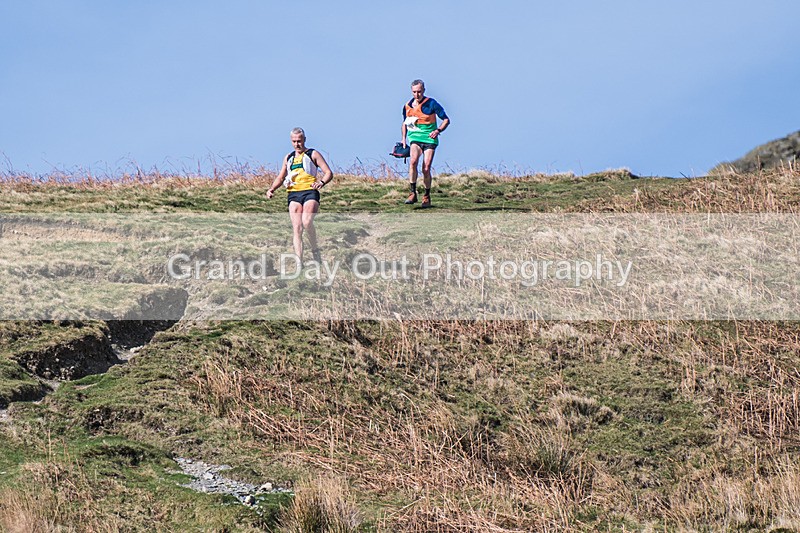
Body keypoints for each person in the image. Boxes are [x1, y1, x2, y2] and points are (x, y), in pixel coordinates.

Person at [266, 127, 333, 263]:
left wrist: (321, 182)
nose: (297, 144)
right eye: (294, 141)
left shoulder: (312, 154)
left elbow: (328, 173)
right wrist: (271, 189)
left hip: (310, 191)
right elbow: (281, 176)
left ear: (304, 140)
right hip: (294, 194)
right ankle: (299, 263)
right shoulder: (289, 157)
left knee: (307, 222)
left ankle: (315, 249)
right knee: (297, 227)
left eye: (299, 141)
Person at [401, 79, 450, 208]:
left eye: (419, 92)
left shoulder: (432, 103)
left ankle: (427, 195)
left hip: (429, 139)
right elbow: (405, 123)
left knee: (426, 167)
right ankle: (412, 193)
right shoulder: (407, 105)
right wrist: (403, 139)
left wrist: (438, 130)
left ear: (424, 90)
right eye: (414, 92)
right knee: (413, 162)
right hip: (415, 138)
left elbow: (446, 120)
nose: (417, 95)